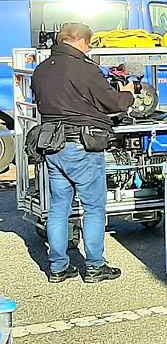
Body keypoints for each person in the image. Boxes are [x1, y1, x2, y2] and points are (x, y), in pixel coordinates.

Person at [31, 23, 135, 284]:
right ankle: (95, 266)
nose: (88, 49)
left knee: (58, 208)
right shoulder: (85, 69)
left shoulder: (41, 69)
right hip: (82, 145)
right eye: (88, 44)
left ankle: (57, 267)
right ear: (81, 42)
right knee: (94, 208)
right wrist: (127, 94)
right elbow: (112, 103)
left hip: (52, 144)